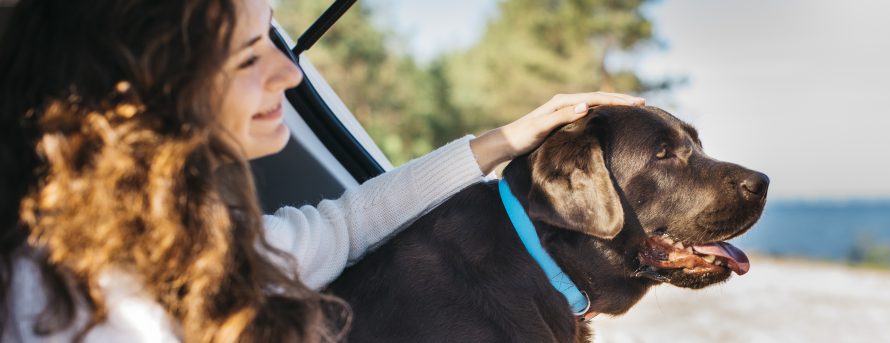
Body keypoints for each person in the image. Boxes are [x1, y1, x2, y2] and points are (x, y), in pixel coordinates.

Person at [0, 0, 645, 341]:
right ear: (143, 94)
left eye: (276, 42)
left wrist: (510, 137)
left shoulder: (225, 244)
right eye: (250, 56)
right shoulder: (51, 302)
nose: (290, 73)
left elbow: (349, 222)